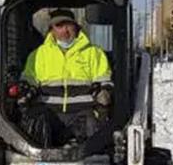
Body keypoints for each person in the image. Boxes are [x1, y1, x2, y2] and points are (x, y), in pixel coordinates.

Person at [21, 9, 112, 145]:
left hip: (82, 113)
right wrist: (26, 92)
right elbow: (29, 81)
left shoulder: (94, 53)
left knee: (92, 124)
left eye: (68, 25)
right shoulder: (38, 55)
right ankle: (40, 161)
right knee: (36, 123)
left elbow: (105, 82)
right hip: (50, 112)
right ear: (51, 30)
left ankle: (93, 162)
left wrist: (104, 92)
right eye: (59, 26)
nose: (64, 31)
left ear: (76, 26)